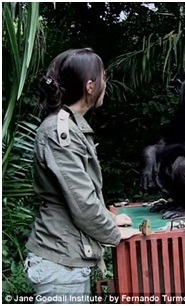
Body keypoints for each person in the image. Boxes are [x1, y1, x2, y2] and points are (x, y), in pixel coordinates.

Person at [24, 48, 140, 303]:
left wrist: (109, 216)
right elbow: (81, 202)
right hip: (59, 264)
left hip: (67, 260)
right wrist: (113, 233)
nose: (105, 84)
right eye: (103, 78)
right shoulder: (59, 131)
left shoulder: (71, 125)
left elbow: (78, 190)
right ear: (90, 86)